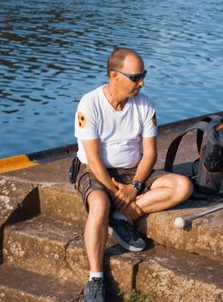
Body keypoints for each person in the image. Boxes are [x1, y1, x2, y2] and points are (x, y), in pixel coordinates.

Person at [74, 47, 193, 302]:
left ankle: (121, 216)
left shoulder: (145, 105)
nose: (142, 82)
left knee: (183, 187)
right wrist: (117, 192)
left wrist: (135, 186)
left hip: (133, 171)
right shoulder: (89, 104)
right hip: (96, 171)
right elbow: (93, 161)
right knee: (98, 204)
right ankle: (96, 278)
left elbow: (149, 154)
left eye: (143, 75)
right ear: (114, 76)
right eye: (136, 77)